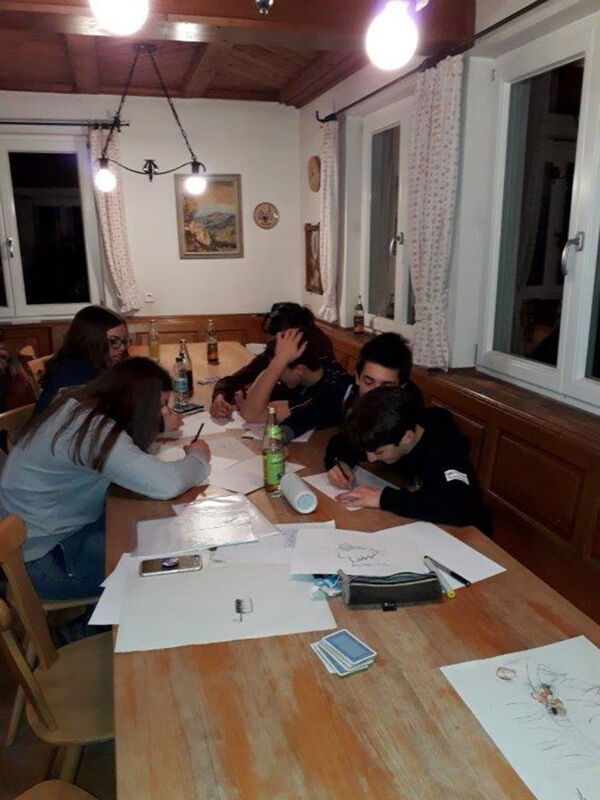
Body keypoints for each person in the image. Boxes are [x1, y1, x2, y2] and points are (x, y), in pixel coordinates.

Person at [0, 357, 211, 600]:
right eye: (160, 406)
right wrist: (198, 458)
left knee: (151, 532)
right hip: (44, 563)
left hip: (44, 541)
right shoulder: (94, 430)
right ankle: (96, 621)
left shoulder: (81, 405)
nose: (161, 414)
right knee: (165, 563)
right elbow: (166, 484)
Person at [336, 386, 491, 534]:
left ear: (407, 438)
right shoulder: (387, 430)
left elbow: (458, 506)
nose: (371, 459)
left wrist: (383, 499)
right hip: (417, 519)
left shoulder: (445, 447)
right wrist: (339, 462)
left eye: (379, 452)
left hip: (465, 536)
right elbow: (340, 442)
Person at [325, 333, 423, 488]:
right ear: (357, 378)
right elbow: (342, 442)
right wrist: (339, 462)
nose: (374, 394)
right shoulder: (356, 400)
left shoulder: (412, 413)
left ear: (402, 387)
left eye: (386, 387)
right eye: (369, 382)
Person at [210, 302, 334, 418]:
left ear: (292, 336)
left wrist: (253, 400)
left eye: (276, 340)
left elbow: (289, 399)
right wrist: (219, 398)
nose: (273, 345)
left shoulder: (316, 358)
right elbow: (233, 380)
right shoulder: (277, 353)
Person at [236, 327, 352, 441]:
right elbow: (251, 404)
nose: (277, 375)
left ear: (299, 370)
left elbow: (251, 414)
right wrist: (278, 361)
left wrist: (278, 362)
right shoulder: (313, 368)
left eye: (279, 369)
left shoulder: (327, 393)